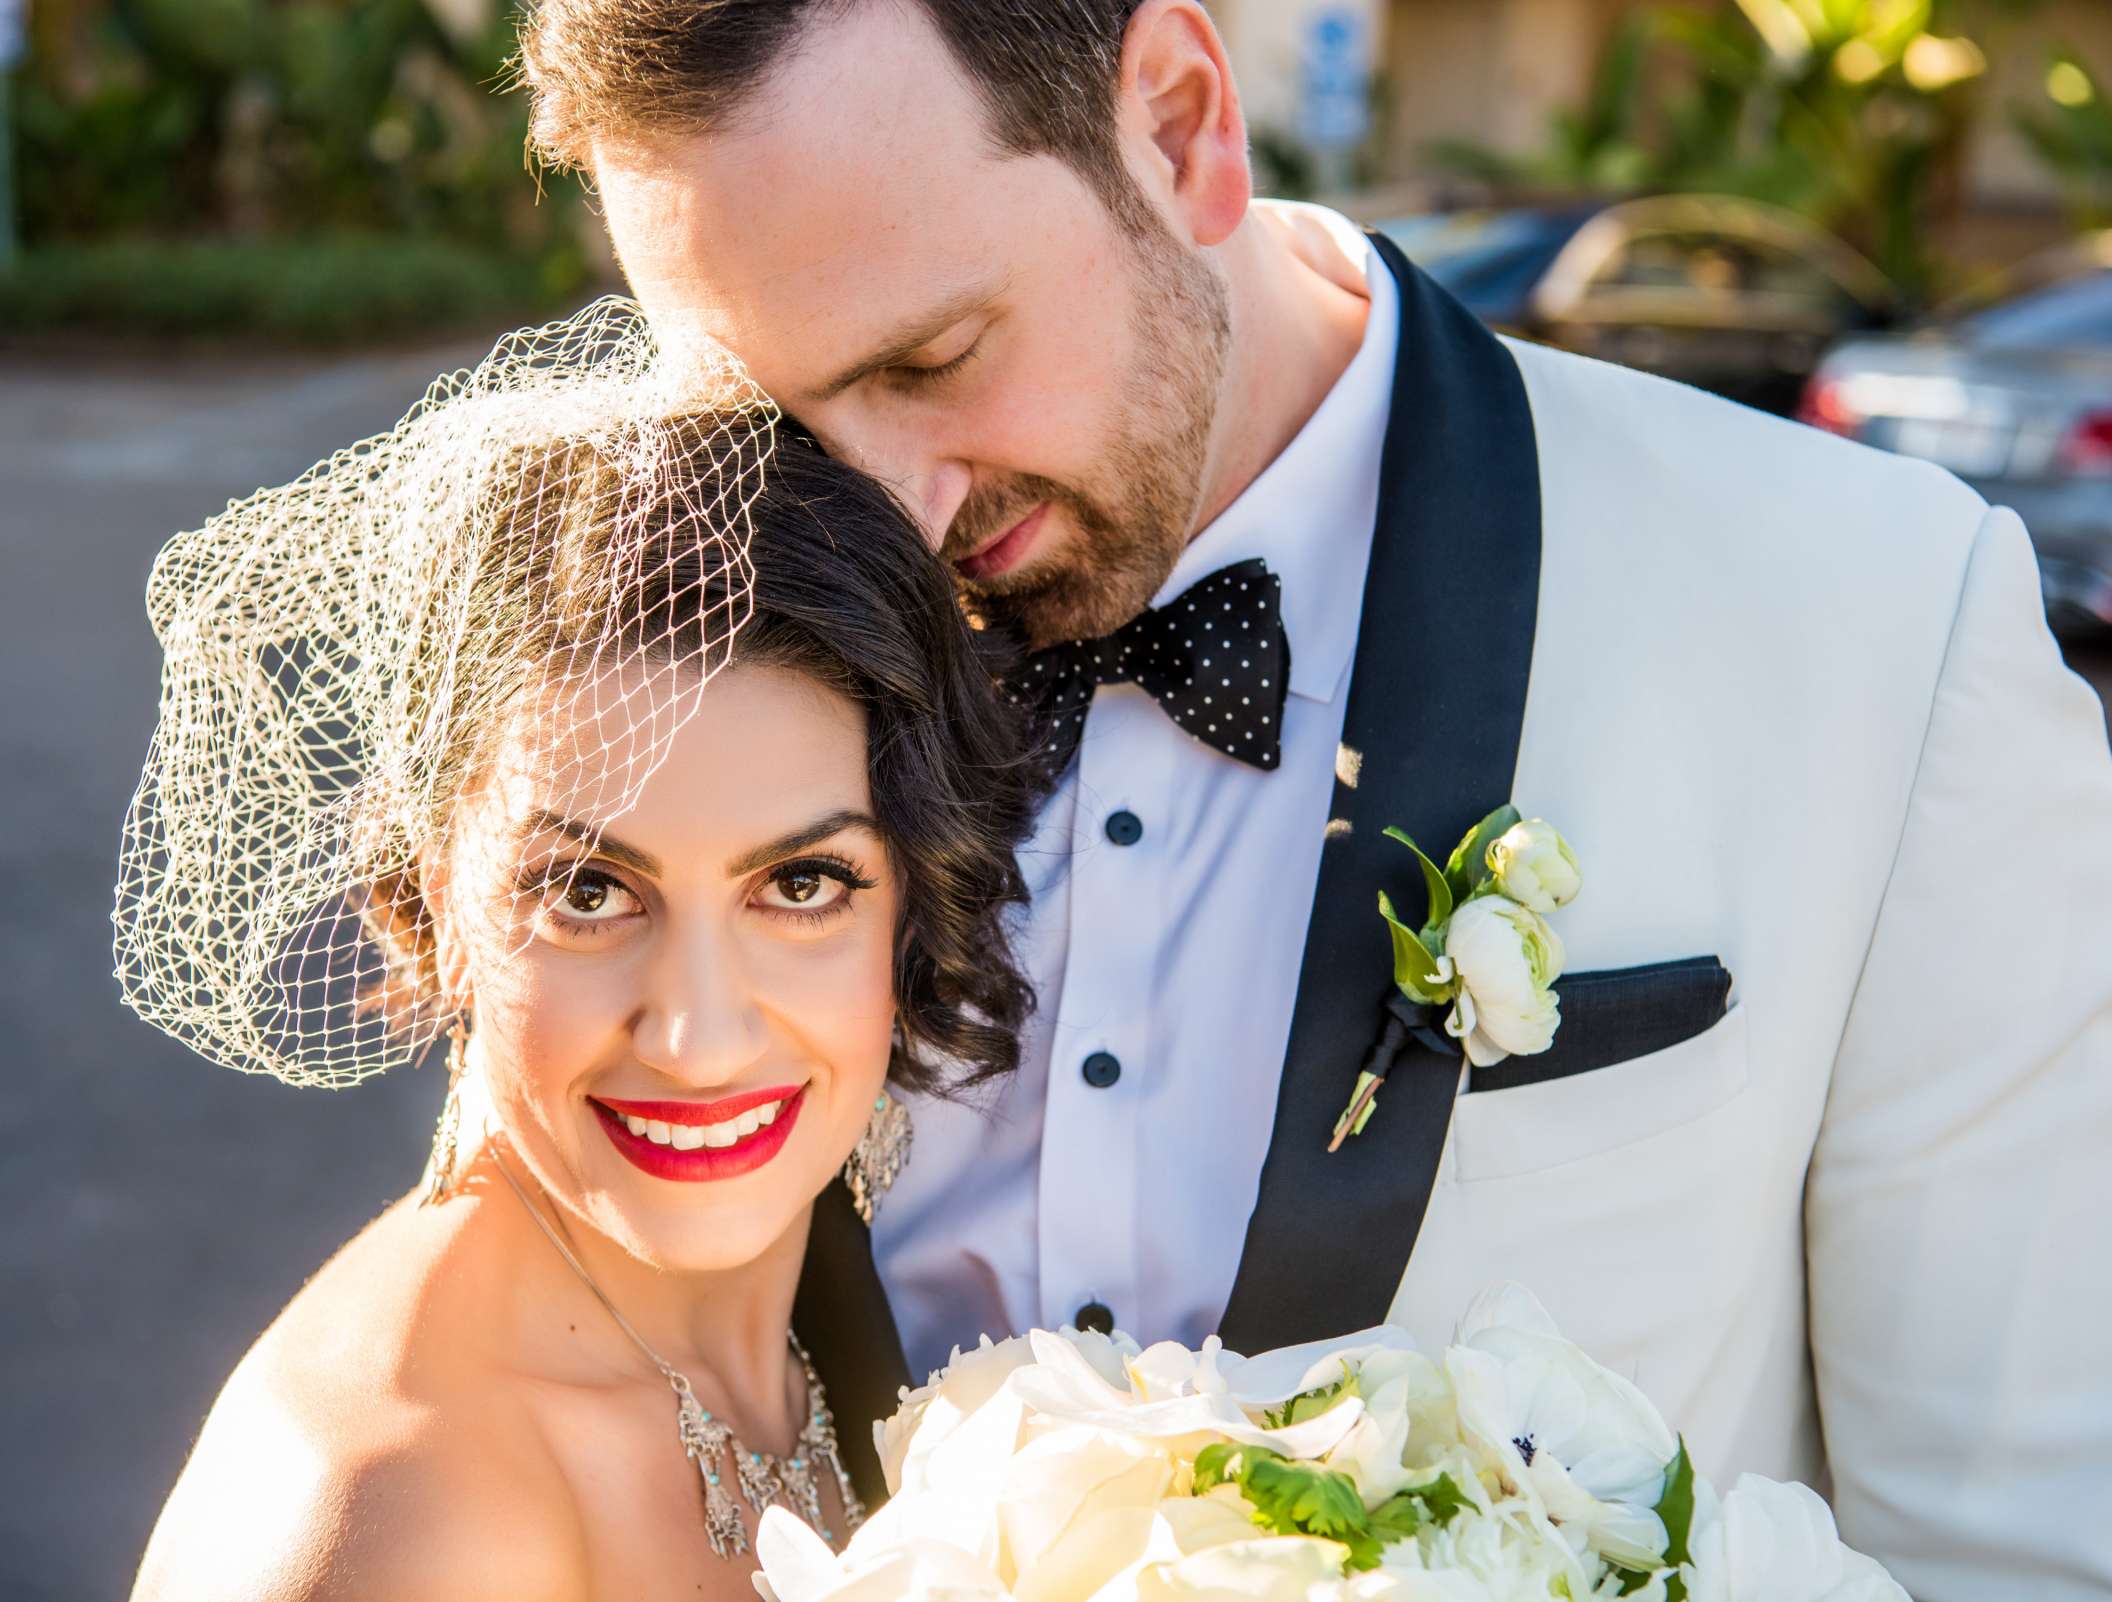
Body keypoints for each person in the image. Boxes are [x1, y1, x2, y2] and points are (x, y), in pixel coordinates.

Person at [515, 4, 2112, 1597]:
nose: (885, 516)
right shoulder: (717, 639)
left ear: (1182, 120)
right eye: (788, 416)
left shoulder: (1882, 620)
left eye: (936, 358)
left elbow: (2017, 1553)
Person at [115, 313, 1035, 1600]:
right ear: (438, 894)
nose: (699, 1037)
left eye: (802, 884)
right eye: (592, 891)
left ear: (909, 898)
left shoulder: (823, 1318)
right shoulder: (407, 1514)